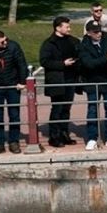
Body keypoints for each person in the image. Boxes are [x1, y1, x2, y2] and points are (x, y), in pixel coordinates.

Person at [77, 20, 107, 150]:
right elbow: (88, 64)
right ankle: (92, 138)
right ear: (88, 33)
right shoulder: (83, 45)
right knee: (92, 110)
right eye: (95, 32)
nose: (99, 33)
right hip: (93, 83)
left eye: (99, 30)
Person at [38, 16, 80, 149]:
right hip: (57, 80)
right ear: (58, 28)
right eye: (66, 26)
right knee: (57, 109)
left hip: (70, 79)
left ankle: (64, 133)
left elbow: (80, 54)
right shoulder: (49, 43)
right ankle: (54, 136)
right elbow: (44, 61)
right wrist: (62, 64)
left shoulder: (73, 41)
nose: (69, 28)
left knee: (66, 108)